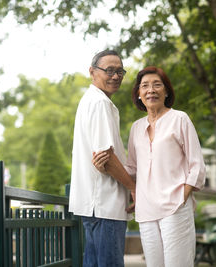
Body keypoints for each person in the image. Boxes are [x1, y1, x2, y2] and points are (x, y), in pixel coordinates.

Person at [93, 66, 206, 267]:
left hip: (175, 207)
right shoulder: (136, 128)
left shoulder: (179, 119)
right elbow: (133, 169)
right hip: (146, 212)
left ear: (167, 91)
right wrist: (106, 167)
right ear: (138, 94)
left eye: (157, 85)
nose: (150, 90)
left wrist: (183, 196)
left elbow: (196, 165)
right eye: (144, 86)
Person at [68, 50, 136, 267]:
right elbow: (105, 158)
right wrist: (133, 188)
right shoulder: (99, 103)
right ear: (92, 72)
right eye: (109, 70)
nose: (115, 76)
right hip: (105, 205)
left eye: (120, 71)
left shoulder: (91, 100)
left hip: (94, 206)